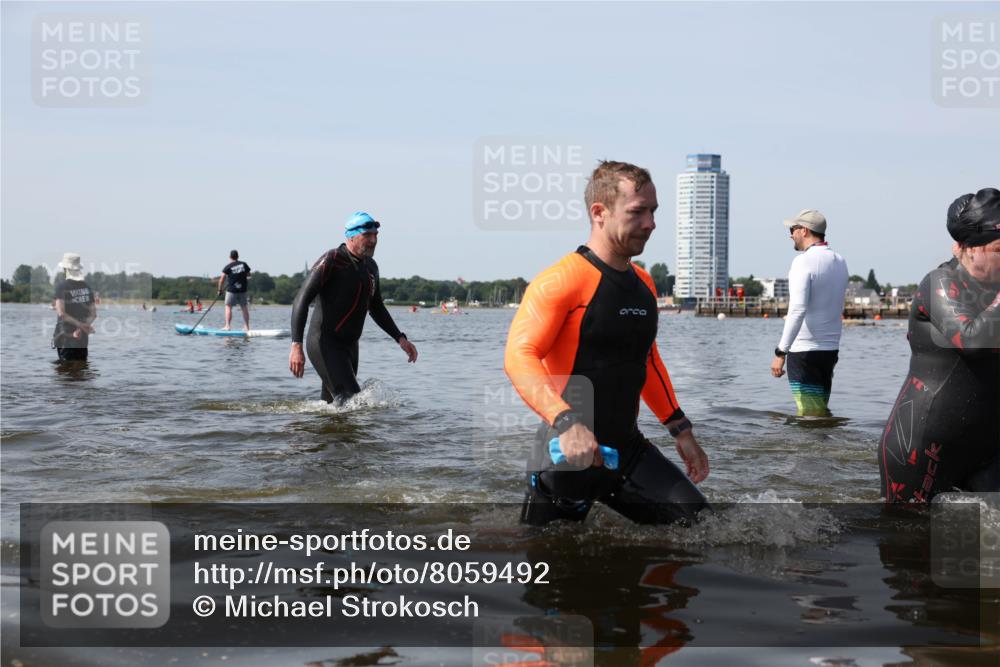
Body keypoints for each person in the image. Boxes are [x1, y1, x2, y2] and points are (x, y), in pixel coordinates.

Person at [504, 161, 710, 526]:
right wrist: (567, 423)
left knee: (704, 528)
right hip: (565, 454)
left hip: (627, 452)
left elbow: (646, 361)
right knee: (555, 568)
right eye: (637, 212)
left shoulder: (644, 284)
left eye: (653, 211)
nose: (650, 223)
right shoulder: (562, 280)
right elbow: (519, 357)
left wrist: (681, 429)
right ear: (599, 212)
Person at [880, 188, 1000, 503]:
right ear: (964, 248)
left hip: (988, 446)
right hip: (923, 448)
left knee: (984, 548)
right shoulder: (940, 284)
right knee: (911, 544)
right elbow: (974, 340)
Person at [288, 212, 418, 403]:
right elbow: (301, 299)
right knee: (351, 401)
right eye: (367, 235)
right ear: (351, 236)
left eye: (376, 235)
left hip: (350, 347)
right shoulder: (332, 260)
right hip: (324, 343)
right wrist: (296, 345)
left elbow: (376, 307)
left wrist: (400, 338)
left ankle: (323, 432)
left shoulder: (371, 267)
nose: (373, 240)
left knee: (333, 407)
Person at [770, 209, 849, 416]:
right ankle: (825, 447)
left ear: (804, 230)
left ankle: (813, 448)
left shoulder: (803, 261)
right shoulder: (840, 261)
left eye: (792, 229)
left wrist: (781, 352)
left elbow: (797, 309)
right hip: (830, 350)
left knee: (808, 415)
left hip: (804, 350)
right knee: (819, 412)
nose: (790, 235)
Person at [52, 252, 96, 362]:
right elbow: (93, 314)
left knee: (65, 372)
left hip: (67, 336)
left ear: (65, 269)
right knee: (81, 371)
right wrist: (82, 327)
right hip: (82, 337)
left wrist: (79, 326)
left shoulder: (62, 287)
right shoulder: (87, 287)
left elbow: (61, 313)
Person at [217, 250, 251, 331]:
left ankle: (228, 326)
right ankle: (247, 327)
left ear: (230, 257)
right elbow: (249, 275)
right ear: (238, 256)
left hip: (232, 290)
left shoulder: (228, 267)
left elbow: (221, 279)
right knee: (244, 307)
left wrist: (219, 290)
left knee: (228, 307)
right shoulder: (244, 264)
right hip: (242, 289)